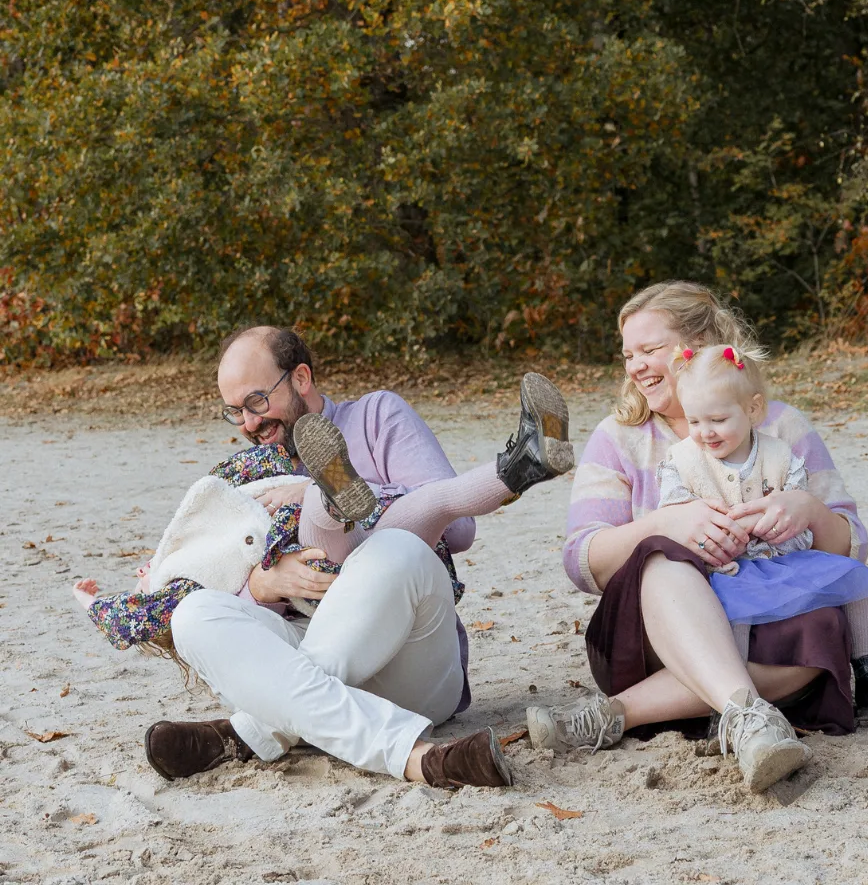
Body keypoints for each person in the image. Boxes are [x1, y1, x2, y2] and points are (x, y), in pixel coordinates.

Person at [526, 281, 868, 794]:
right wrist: (664, 524)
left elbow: (849, 548)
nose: (635, 366)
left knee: (826, 627)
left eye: (650, 349)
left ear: (698, 342)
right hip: (655, 634)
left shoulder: (780, 426)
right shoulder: (619, 437)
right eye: (628, 354)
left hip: (767, 625)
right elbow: (580, 559)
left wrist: (808, 509)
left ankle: (622, 716)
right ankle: (743, 714)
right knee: (662, 558)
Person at [137, 326, 573, 789]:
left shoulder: (376, 416)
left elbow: (460, 530)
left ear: (300, 378)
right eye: (234, 412)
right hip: (303, 648)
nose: (247, 423)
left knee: (396, 545)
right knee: (193, 615)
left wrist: (314, 490)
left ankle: (252, 733)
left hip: (409, 661)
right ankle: (418, 758)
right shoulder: (250, 473)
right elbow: (213, 568)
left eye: (257, 401)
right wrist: (264, 585)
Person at [658, 342, 868, 722]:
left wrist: (780, 528)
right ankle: (729, 706)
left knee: (852, 579)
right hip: (724, 568)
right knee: (732, 612)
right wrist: (707, 528)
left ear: (753, 409)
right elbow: (673, 514)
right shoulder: (682, 461)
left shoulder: (780, 456)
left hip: (782, 559)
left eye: (718, 420)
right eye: (694, 422)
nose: (705, 432)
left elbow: (797, 516)